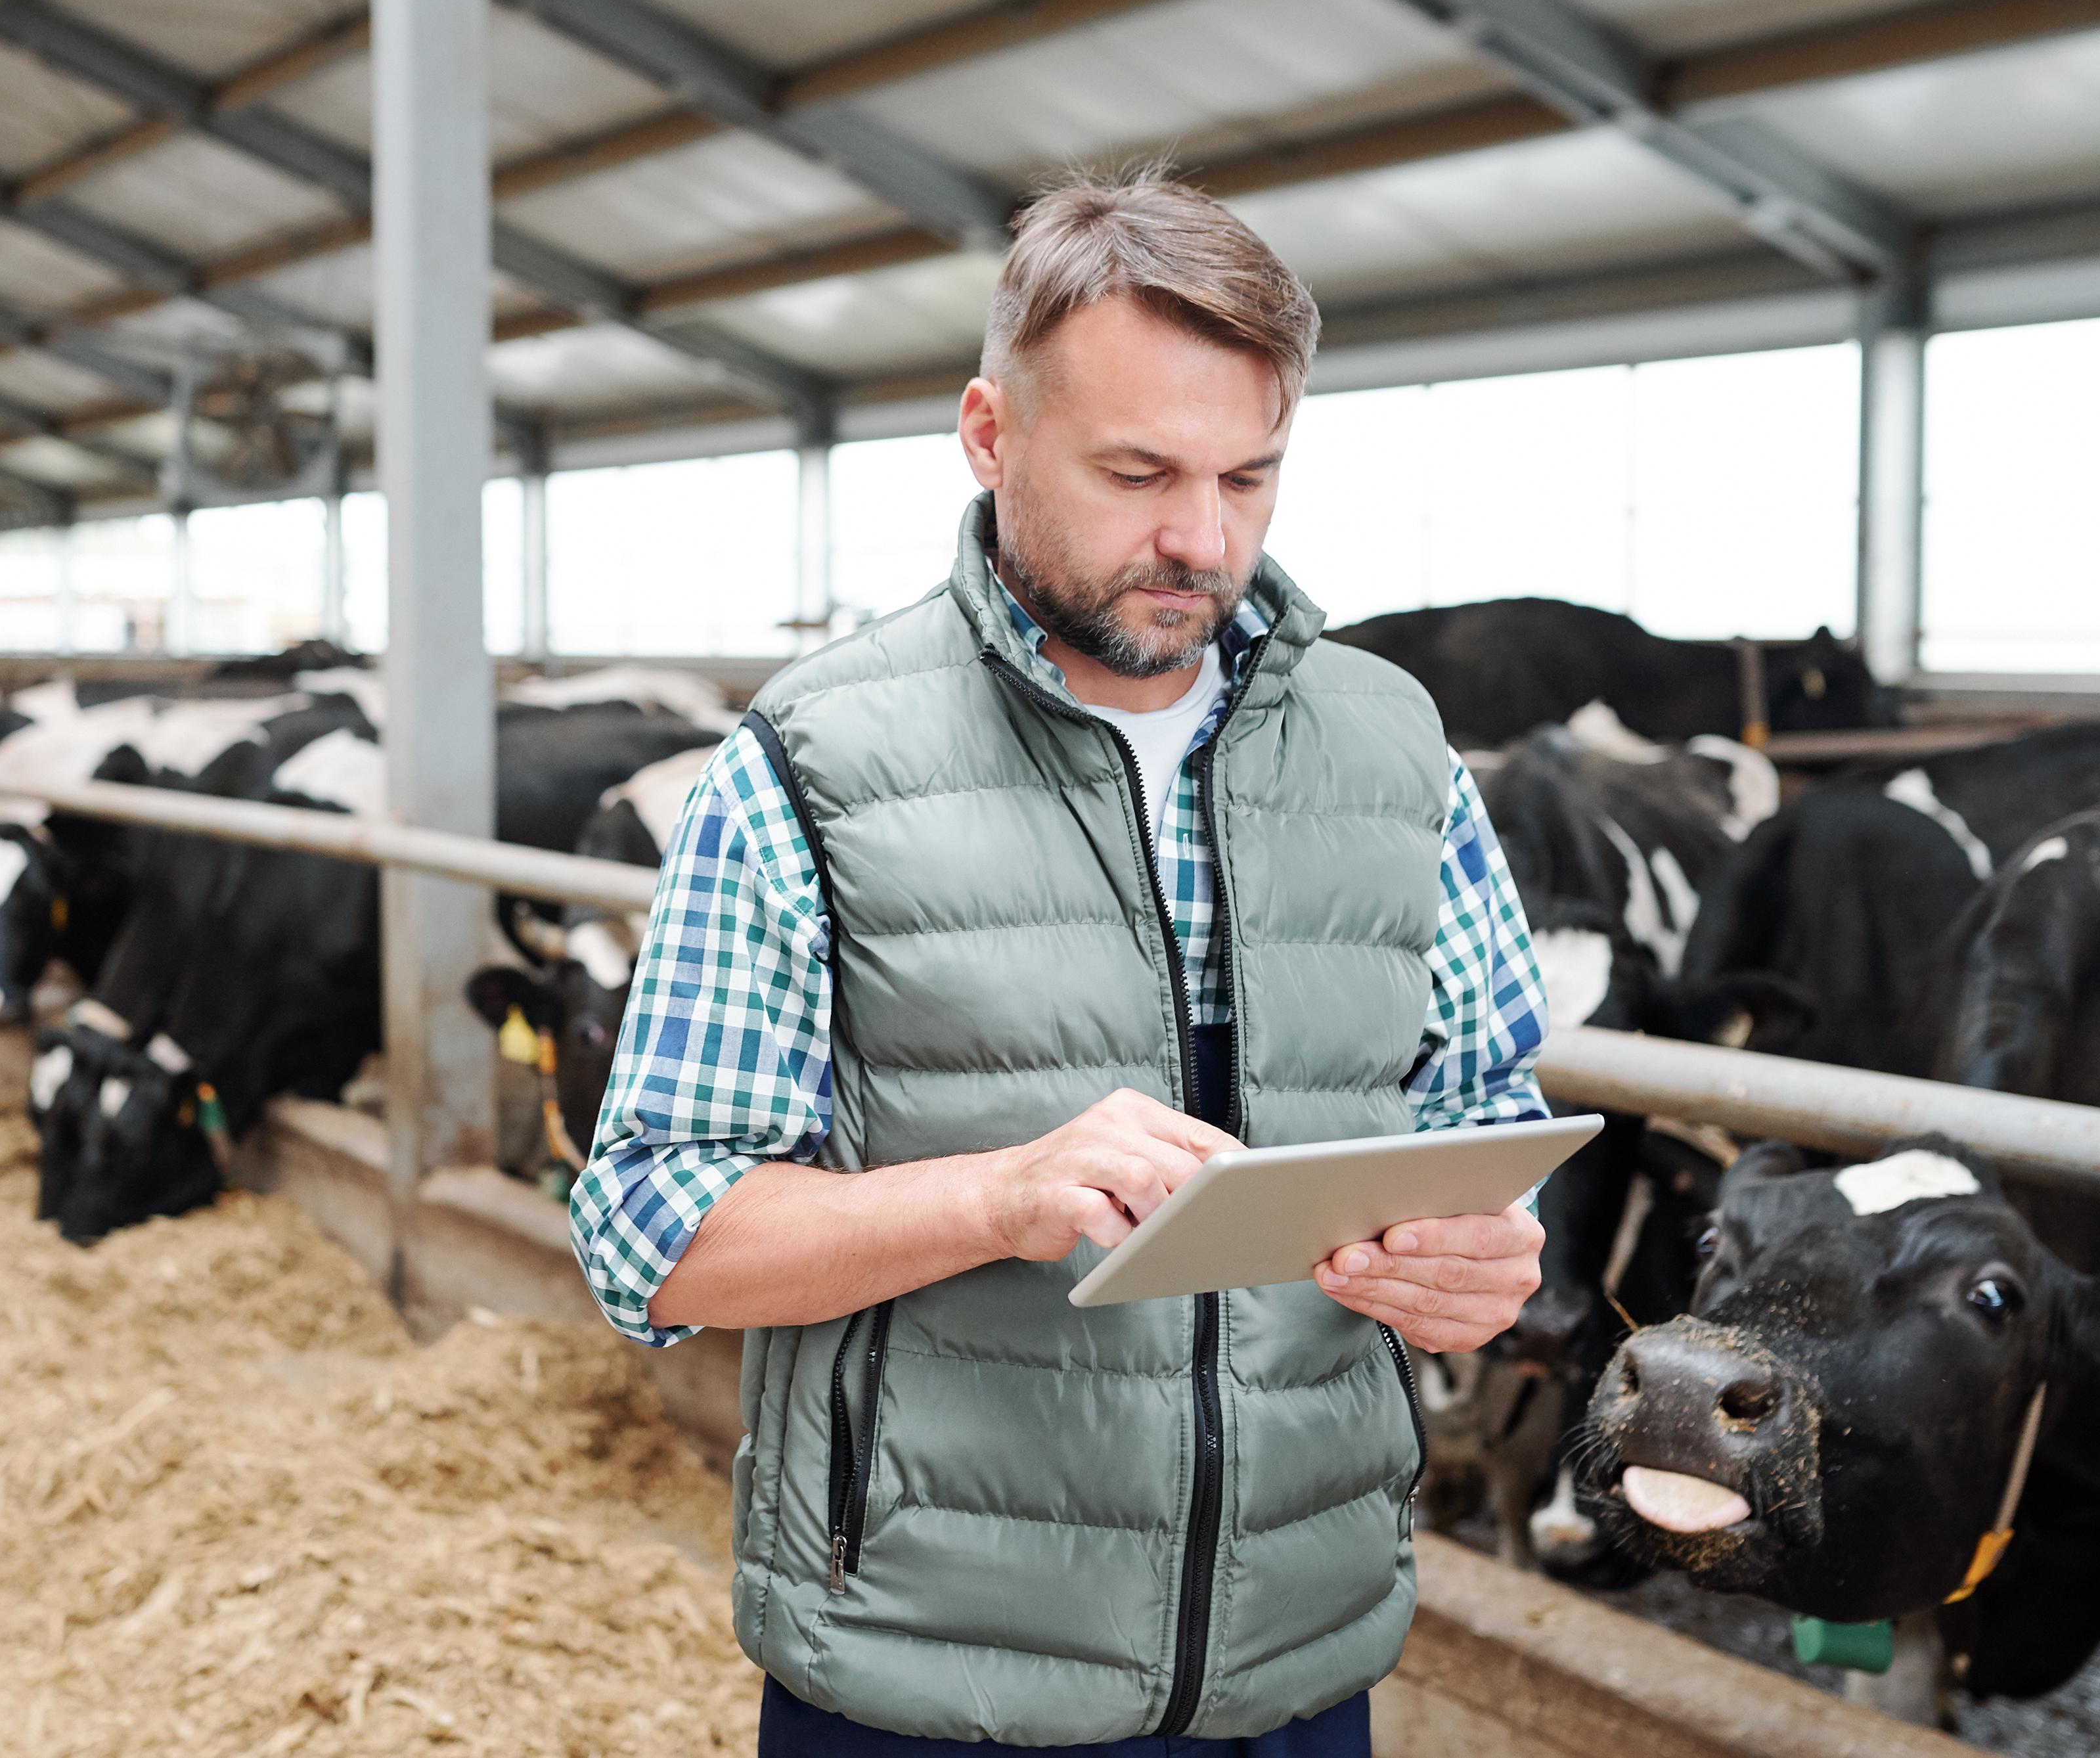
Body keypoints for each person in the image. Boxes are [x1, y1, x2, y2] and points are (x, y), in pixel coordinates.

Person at [568, 170, 1553, 1756]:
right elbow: (648, 1233)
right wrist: (993, 1196)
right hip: (931, 1675)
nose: (1198, 536)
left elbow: (1483, 1103)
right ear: (987, 433)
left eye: (1249, 476)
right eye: (1137, 470)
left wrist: (1486, 1251)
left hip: (1299, 1666)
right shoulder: (814, 762)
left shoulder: (1397, 749)